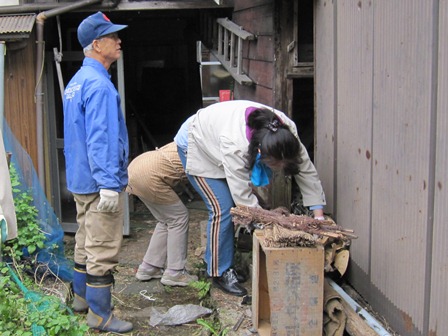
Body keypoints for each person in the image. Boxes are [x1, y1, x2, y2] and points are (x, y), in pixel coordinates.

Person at [174, 100, 326, 297]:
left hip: (218, 134)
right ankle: (219, 271)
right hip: (196, 142)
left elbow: (306, 171)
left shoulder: (287, 133)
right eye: (276, 165)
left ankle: (225, 257)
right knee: (222, 207)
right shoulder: (235, 144)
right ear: (261, 153)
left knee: (239, 206)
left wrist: (319, 217)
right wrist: (270, 224)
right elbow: (243, 199)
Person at [63, 12, 132, 333]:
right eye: (112, 37)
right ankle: (101, 316)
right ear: (96, 44)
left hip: (79, 178)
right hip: (99, 180)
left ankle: (80, 299)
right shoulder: (99, 85)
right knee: (102, 248)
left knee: (84, 239)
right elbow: (101, 138)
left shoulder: (76, 82)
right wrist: (108, 184)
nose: (119, 41)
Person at [126, 142, 198, 286]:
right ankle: (175, 273)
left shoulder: (189, 137)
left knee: (166, 219)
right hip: (149, 175)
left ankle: (149, 267)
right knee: (178, 218)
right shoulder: (204, 147)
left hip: (136, 168)